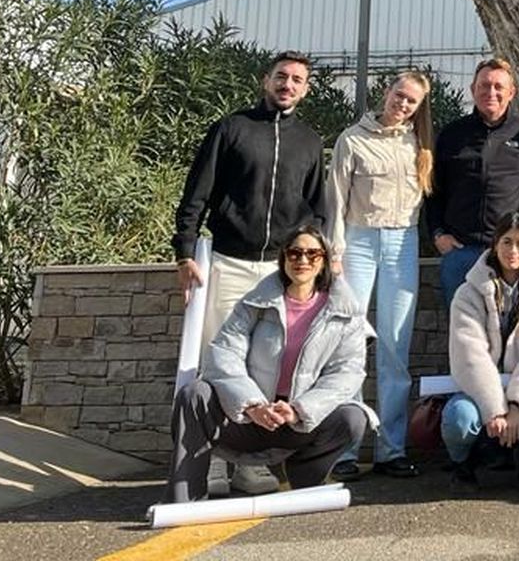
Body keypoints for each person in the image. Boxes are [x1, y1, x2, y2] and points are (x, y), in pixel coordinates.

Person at [172, 50, 330, 495]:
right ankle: (212, 465)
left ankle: (248, 463)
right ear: (266, 81)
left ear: (306, 89)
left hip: (280, 273)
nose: (288, 85)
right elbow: (197, 193)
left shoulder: (310, 142)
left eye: (298, 80)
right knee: (220, 362)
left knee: (264, 368)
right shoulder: (232, 128)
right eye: (282, 77)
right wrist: (185, 252)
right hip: (229, 261)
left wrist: (313, 260)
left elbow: (317, 210)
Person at [168, 224, 370, 503]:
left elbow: (347, 373)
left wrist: (299, 410)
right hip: (249, 419)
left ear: (324, 260)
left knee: (353, 418)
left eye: (313, 254)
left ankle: (304, 480)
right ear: (283, 258)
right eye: (295, 253)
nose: (302, 260)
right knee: (193, 394)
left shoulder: (346, 311)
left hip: (300, 424)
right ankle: (184, 499)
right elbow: (223, 353)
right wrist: (252, 404)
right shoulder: (254, 302)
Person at [328, 70, 435, 480]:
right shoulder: (351, 139)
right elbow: (334, 199)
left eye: (411, 101)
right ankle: (346, 450)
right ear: (386, 91)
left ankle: (391, 449)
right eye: (399, 95)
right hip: (357, 238)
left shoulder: (418, 145)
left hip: (401, 242)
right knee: (350, 344)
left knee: (395, 347)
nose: (402, 104)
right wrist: (334, 253)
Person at [442, 211, 519, 489]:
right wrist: (494, 409)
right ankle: (463, 466)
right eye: (507, 242)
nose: (514, 251)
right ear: (495, 243)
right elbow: (470, 355)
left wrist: (515, 407)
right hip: (477, 393)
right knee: (458, 419)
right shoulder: (466, 293)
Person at [424, 58, 519, 309]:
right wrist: (438, 233)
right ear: (473, 89)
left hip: (511, 252)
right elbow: (433, 190)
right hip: (461, 252)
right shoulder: (452, 134)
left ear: (511, 92)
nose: (490, 92)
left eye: (498, 87)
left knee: (512, 331)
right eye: (484, 86)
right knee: (463, 334)